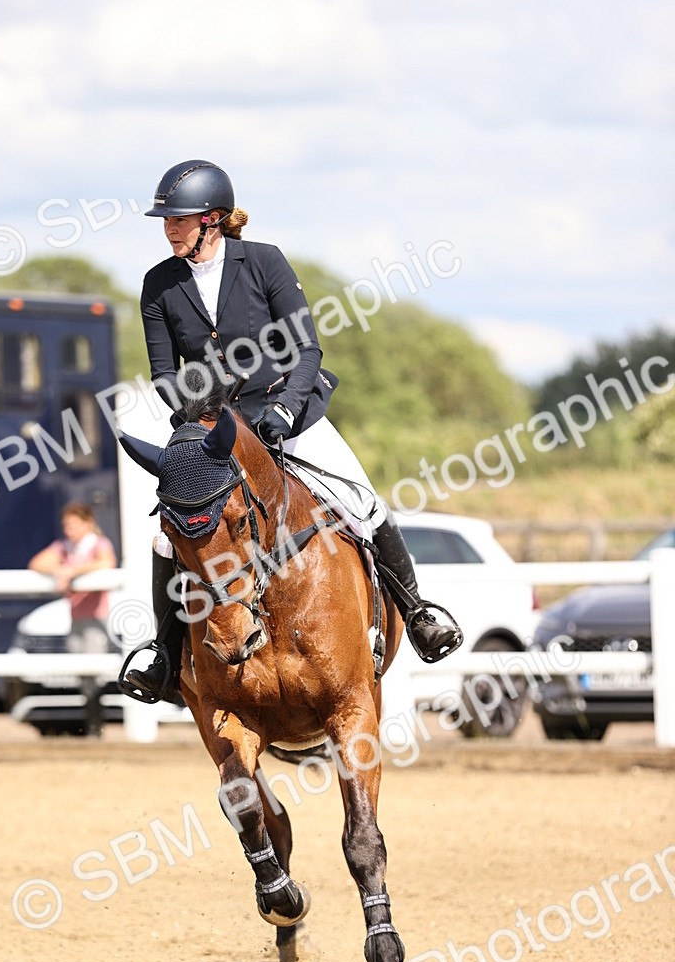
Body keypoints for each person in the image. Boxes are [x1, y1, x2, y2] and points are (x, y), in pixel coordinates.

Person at [127, 159, 460, 703]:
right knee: (167, 533)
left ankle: (419, 612)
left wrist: (283, 409)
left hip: (286, 413)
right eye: (166, 220)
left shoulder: (263, 263)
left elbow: (307, 350)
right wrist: (197, 415)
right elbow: (164, 373)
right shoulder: (159, 285)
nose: (169, 228)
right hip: (212, 431)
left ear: (212, 219)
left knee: (362, 503)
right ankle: (164, 658)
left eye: (179, 219)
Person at [28, 502, 117, 735]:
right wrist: (60, 570)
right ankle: (90, 725)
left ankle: (96, 727)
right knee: (82, 676)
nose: (69, 530)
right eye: (66, 525)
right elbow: (37, 562)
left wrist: (72, 571)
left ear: (88, 523)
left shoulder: (98, 544)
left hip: (95, 618)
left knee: (94, 675)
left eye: (73, 525)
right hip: (76, 618)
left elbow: (107, 562)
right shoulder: (66, 547)